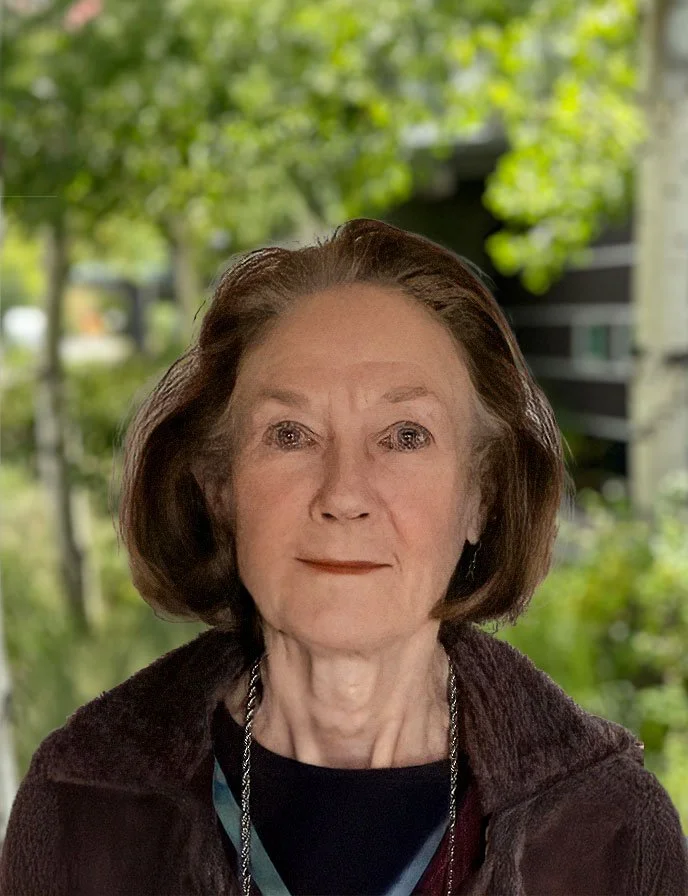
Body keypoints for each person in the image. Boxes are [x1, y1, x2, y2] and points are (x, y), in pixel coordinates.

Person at [1, 219, 686, 896]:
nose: (345, 494)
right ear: (220, 489)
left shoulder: (612, 833)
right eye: (291, 434)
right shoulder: (80, 802)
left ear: (482, 494)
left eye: (406, 435)